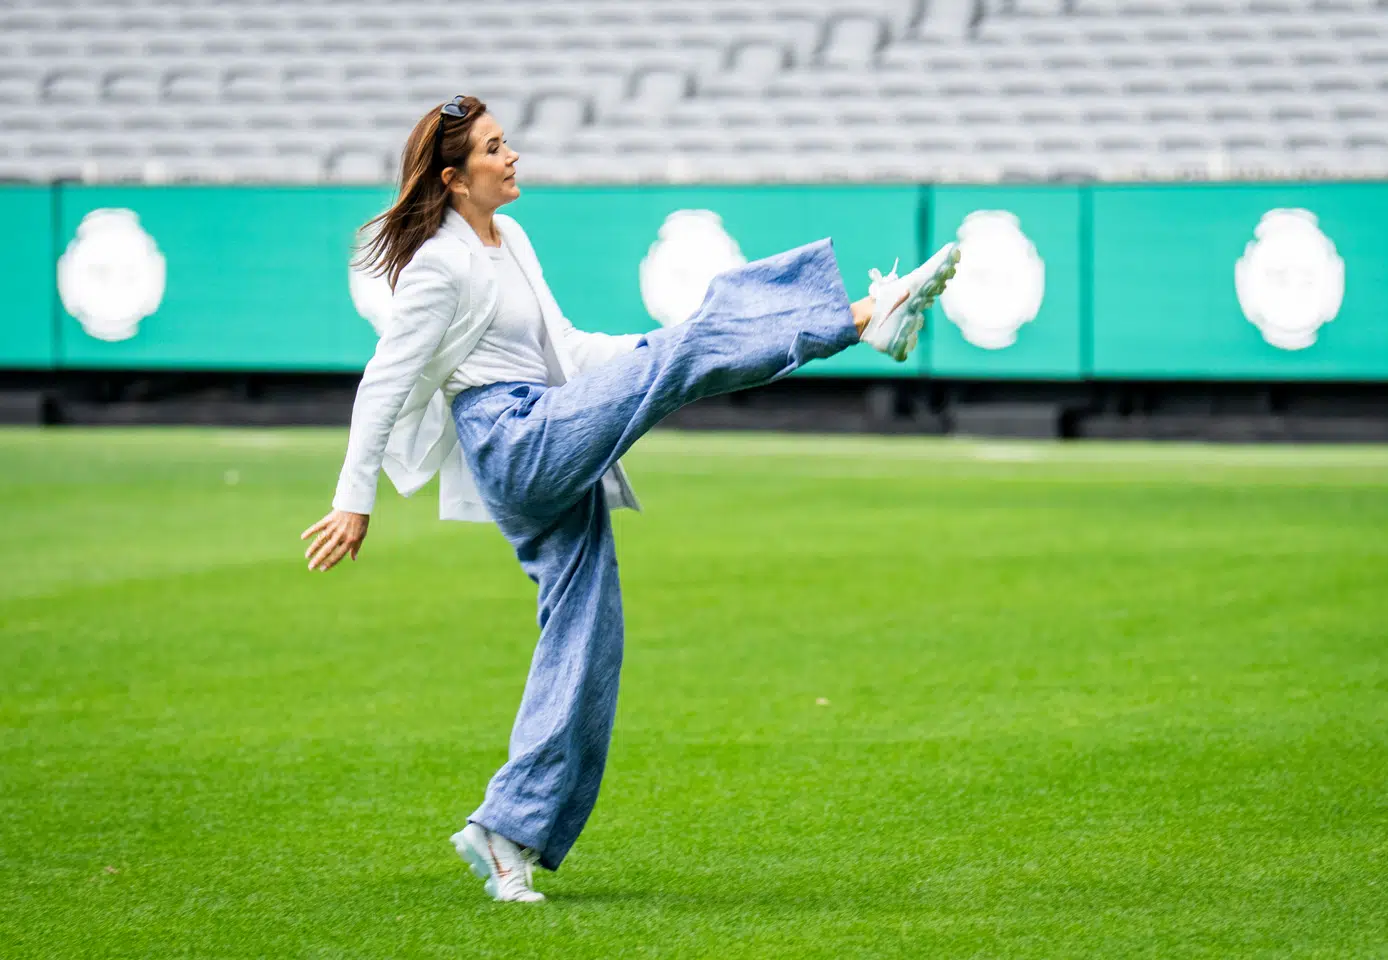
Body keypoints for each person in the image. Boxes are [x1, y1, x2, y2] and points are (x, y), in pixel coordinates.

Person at [301, 95, 960, 902]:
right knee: (679, 358)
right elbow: (385, 381)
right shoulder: (439, 265)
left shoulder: (512, 240)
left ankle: (507, 831)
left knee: (590, 638)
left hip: (547, 418)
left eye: (507, 142)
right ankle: (858, 318)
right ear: (454, 179)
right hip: (513, 441)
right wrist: (354, 500)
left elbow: (570, 349)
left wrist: (647, 348)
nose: (512, 156)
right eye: (494, 149)